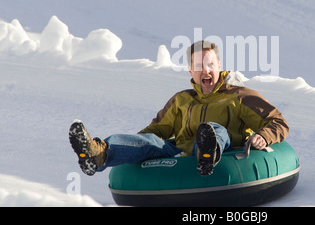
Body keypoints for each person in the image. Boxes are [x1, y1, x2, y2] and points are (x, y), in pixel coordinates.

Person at [69, 40, 289, 176]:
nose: (206, 71)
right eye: (199, 66)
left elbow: (278, 122)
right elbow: (157, 131)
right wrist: (132, 146)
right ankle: (96, 153)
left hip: (227, 151)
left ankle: (208, 152)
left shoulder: (239, 96)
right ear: (190, 70)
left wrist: (264, 135)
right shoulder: (181, 100)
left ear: (219, 66)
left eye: (210, 65)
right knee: (152, 141)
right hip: (182, 151)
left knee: (214, 128)